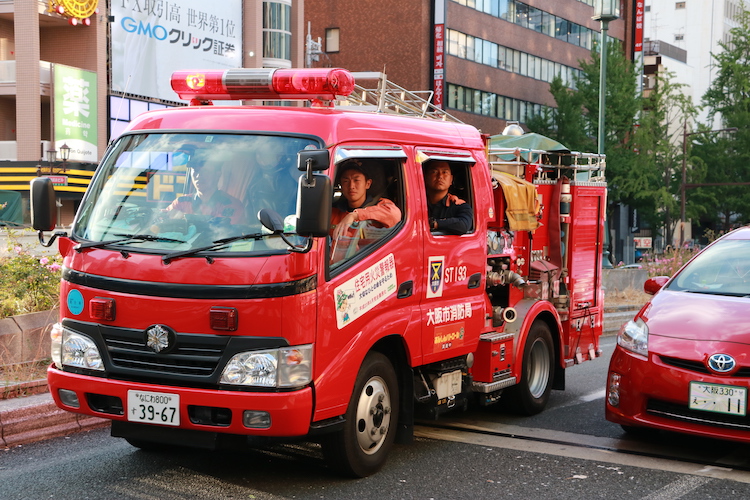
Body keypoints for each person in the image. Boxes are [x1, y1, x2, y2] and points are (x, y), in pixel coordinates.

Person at [330, 160, 401, 259]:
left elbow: (394, 215)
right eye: (346, 181)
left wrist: (355, 215)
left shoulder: (381, 205)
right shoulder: (333, 211)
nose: (351, 186)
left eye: (356, 180)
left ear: (368, 184)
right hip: (339, 266)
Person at [165, 162, 247, 225]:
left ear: (217, 175)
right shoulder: (181, 202)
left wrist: (183, 217)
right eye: (195, 171)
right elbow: (163, 218)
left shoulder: (231, 205)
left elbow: (220, 232)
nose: (198, 176)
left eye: (205, 171)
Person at [423, 160, 473, 235]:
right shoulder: (416, 204)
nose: (440, 176)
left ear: (451, 179)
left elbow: (463, 225)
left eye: (445, 172)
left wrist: (434, 224)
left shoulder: (460, 206)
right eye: (434, 172)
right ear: (425, 177)